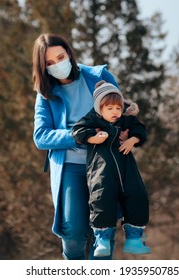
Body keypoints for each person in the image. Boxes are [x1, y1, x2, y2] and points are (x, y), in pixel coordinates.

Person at [32, 33, 128, 260]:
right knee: (72, 233)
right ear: (43, 68)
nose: (57, 64)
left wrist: (124, 127)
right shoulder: (45, 94)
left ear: (69, 54)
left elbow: (119, 113)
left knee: (103, 235)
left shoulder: (98, 76)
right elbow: (41, 136)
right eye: (49, 63)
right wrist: (80, 136)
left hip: (104, 167)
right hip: (71, 168)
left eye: (60, 57)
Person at [71, 81, 151, 257]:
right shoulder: (93, 120)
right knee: (102, 200)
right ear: (100, 108)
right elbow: (77, 130)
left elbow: (140, 129)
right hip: (102, 171)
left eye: (118, 107)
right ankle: (102, 240)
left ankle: (134, 239)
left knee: (138, 196)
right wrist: (94, 138)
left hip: (127, 170)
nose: (115, 112)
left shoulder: (126, 121)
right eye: (109, 108)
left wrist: (132, 140)